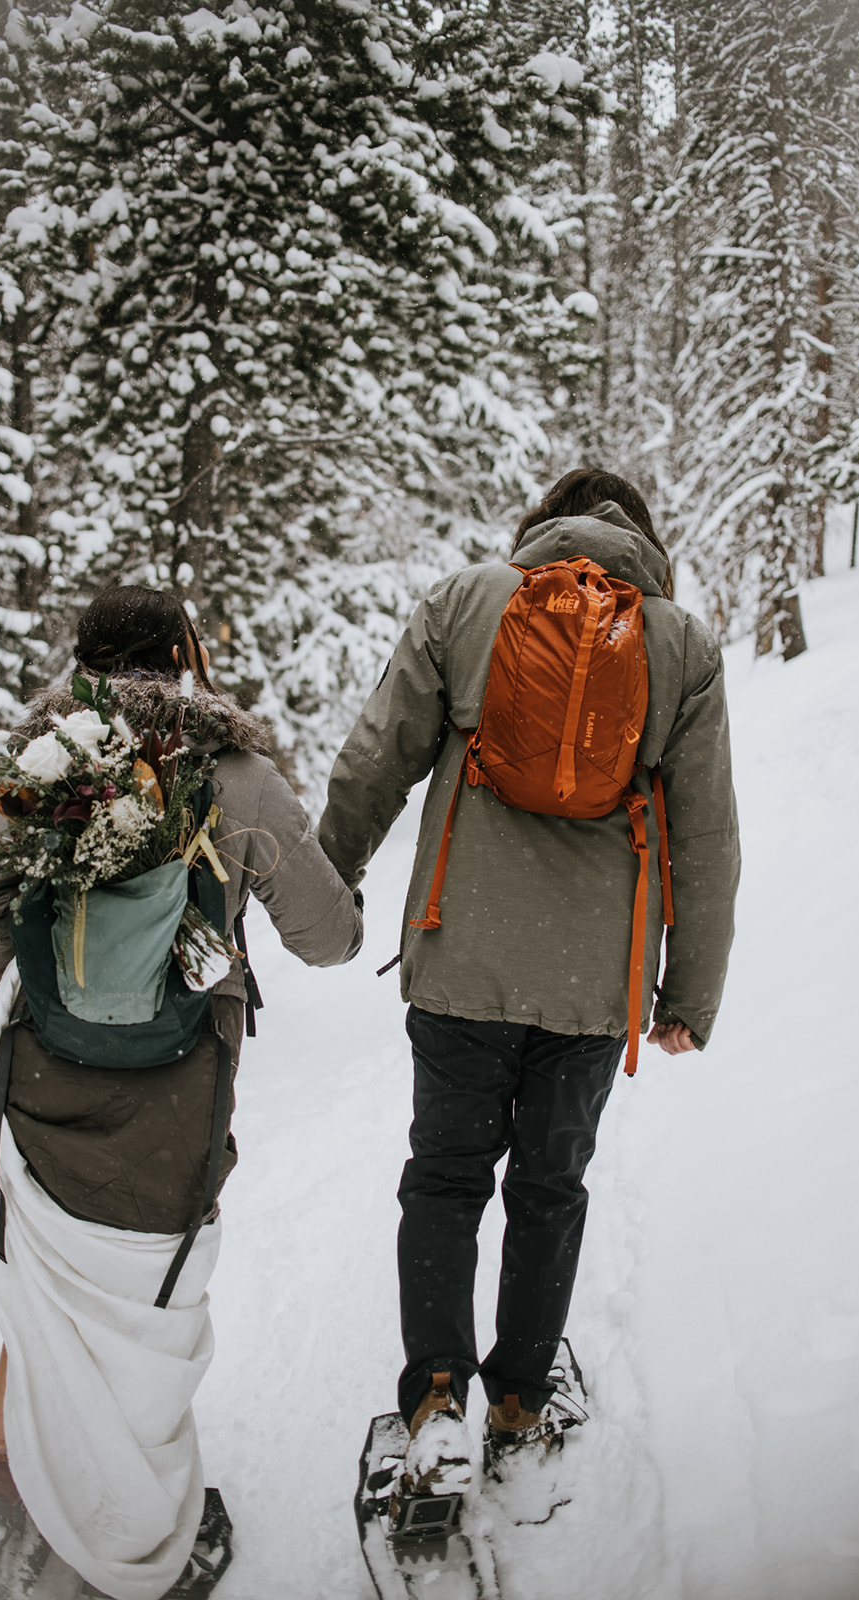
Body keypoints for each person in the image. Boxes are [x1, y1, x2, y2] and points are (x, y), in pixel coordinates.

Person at [0, 585, 362, 1599]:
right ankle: (141, 1533)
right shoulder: (241, 775)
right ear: (185, 657)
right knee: (150, 1313)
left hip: (39, 1083)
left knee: (54, 1296)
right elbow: (329, 937)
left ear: (82, 660)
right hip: (179, 1098)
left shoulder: (47, 758)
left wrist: (48, 980)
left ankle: (24, 1477)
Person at [316, 467, 739, 1483]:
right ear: (641, 537)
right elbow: (707, 835)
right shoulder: (679, 642)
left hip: (460, 954)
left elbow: (376, 756)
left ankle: (432, 1400)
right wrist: (688, 994)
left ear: (542, 525)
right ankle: (517, 1396)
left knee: (445, 1176)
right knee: (549, 1186)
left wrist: (328, 887)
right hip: (593, 985)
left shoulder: (467, 601)